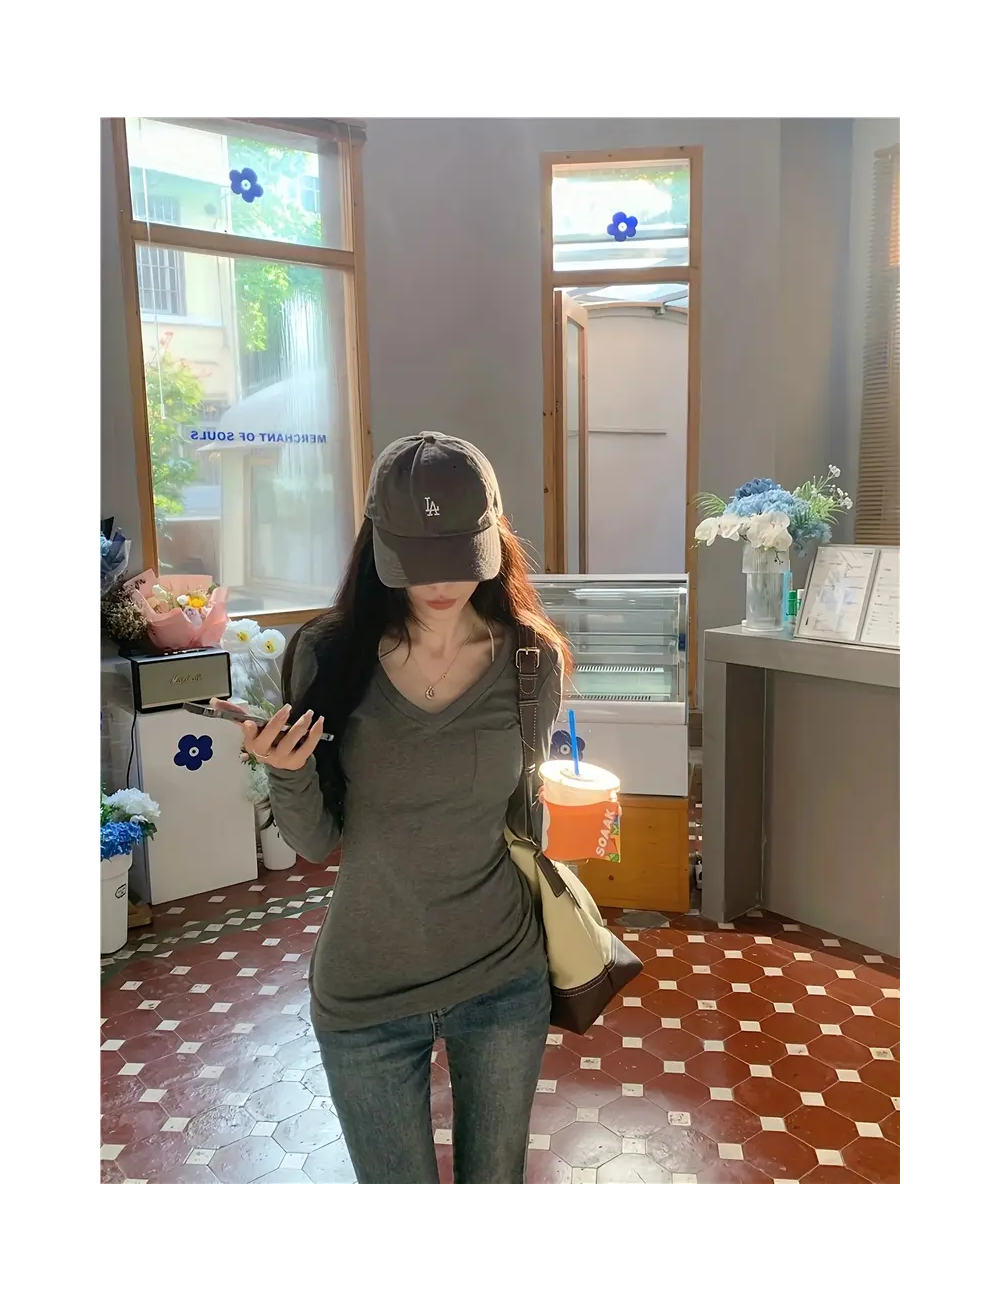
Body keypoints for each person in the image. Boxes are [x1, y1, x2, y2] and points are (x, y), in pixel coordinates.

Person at [225, 433, 568, 1185]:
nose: (440, 581)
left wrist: (576, 823)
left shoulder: (530, 660)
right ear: (378, 546)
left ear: (494, 539)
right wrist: (286, 770)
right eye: (417, 558)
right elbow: (315, 841)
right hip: (366, 989)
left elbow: (524, 818)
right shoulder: (328, 654)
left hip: (502, 976)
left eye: (459, 555)